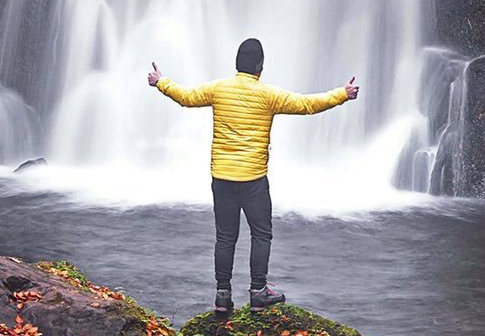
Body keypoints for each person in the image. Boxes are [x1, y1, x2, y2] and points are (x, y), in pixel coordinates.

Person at [149, 37, 359, 311]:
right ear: (260, 67)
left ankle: (222, 295)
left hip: (222, 177)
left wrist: (160, 82)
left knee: (225, 237)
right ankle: (258, 291)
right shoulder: (268, 95)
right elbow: (307, 104)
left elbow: (186, 98)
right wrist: (343, 93)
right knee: (261, 234)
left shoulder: (218, 89)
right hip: (253, 180)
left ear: (237, 64)